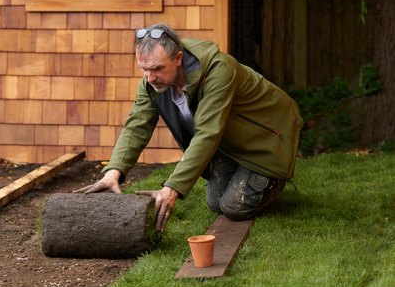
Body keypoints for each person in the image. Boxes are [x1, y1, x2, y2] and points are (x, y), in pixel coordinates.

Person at [74, 23, 303, 231]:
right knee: (216, 203)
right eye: (144, 69)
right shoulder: (153, 82)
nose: (150, 78)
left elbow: (207, 133)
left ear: (179, 58)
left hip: (267, 135)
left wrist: (172, 188)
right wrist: (114, 172)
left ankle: (273, 178)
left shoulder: (218, 70)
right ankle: (246, 173)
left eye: (157, 69)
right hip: (231, 139)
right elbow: (137, 125)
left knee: (235, 208)